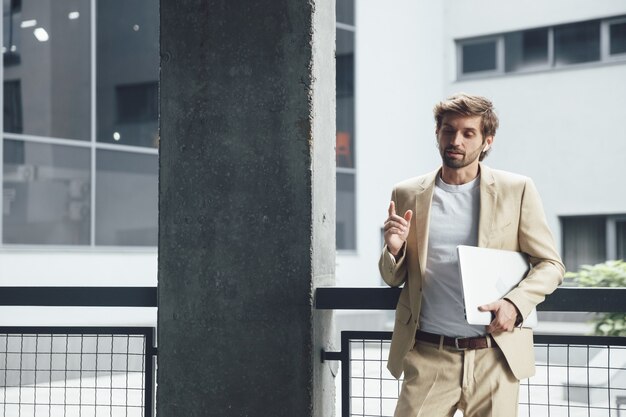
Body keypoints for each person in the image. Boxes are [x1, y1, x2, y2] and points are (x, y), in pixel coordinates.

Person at [379, 93, 565, 417]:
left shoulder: (516, 190)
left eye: (468, 133)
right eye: (448, 130)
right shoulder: (407, 193)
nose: (455, 140)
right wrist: (394, 249)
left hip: (495, 356)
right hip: (428, 354)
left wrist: (515, 304)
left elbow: (551, 265)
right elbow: (393, 277)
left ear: (486, 141)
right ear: (437, 133)